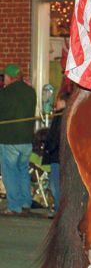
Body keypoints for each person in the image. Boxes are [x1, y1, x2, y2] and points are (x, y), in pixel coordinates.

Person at [0, 64, 37, 216]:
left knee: (10, 172)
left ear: (9, 77)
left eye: (4, 77)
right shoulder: (31, 92)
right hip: (27, 140)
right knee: (23, 171)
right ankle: (25, 203)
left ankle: (14, 206)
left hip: (9, 140)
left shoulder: (5, 93)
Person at [42, 91, 70, 217]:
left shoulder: (60, 116)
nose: (55, 103)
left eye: (58, 100)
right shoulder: (68, 115)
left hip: (57, 155)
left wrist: (49, 149)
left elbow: (55, 136)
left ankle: (59, 209)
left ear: (63, 102)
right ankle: (61, 209)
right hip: (64, 156)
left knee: (56, 184)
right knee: (62, 183)